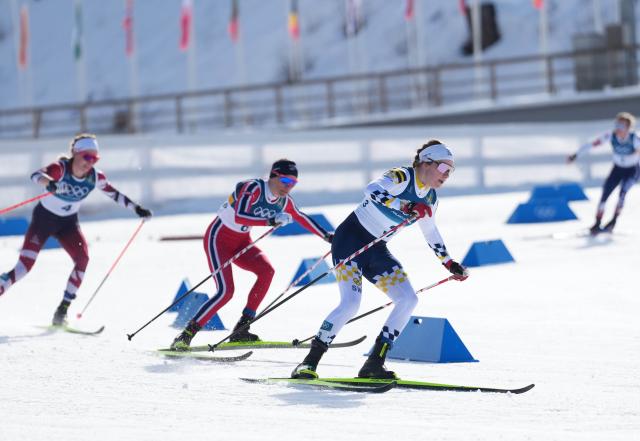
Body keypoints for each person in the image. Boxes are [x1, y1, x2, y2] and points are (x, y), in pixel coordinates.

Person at [291, 140, 469, 380]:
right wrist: (405, 205)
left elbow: (430, 232)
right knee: (350, 304)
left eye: (451, 171)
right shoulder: (402, 176)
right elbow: (371, 189)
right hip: (350, 240)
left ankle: (374, 363)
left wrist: (448, 262)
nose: (446, 175)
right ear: (426, 162)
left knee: (408, 299)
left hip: (376, 248)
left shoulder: (431, 199)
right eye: (443, 168)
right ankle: (308, 363)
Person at [170, 159, 333, 350]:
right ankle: (186, 335)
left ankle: (242, 328)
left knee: (267, 272)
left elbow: (301, 217)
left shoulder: (284, 201)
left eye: (293, 184)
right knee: (226, 292)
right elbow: (240, 215)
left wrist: (328, 237)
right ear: (273, 176)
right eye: (285, 181)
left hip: (241, 242)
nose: (288, 188)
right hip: (218, 239)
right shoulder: (253, 188)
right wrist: (271, 220)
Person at [0, 134, 152, 325]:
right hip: (43, 220)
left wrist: (137, 208)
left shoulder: (95, 177)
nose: (90, 162)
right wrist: (51, 184)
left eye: (94, 158)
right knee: (24, 267)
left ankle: (62, 311)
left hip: (68, 224)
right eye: (87, 157)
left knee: (82, 260)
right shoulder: (60, 168)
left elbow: (114, 194)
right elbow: (36, 175)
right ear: (75, 153)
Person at [567, 112, 640, 234]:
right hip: (617, 169)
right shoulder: (610, 136)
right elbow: (591, 145)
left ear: (628, 128)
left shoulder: (635, 139)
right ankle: (597, 222)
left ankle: (613, 221)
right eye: (617, 125)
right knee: (605, 194)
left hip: (632, 171)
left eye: (621, 126)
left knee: (622, 194)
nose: (618, 129)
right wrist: (575, 155)